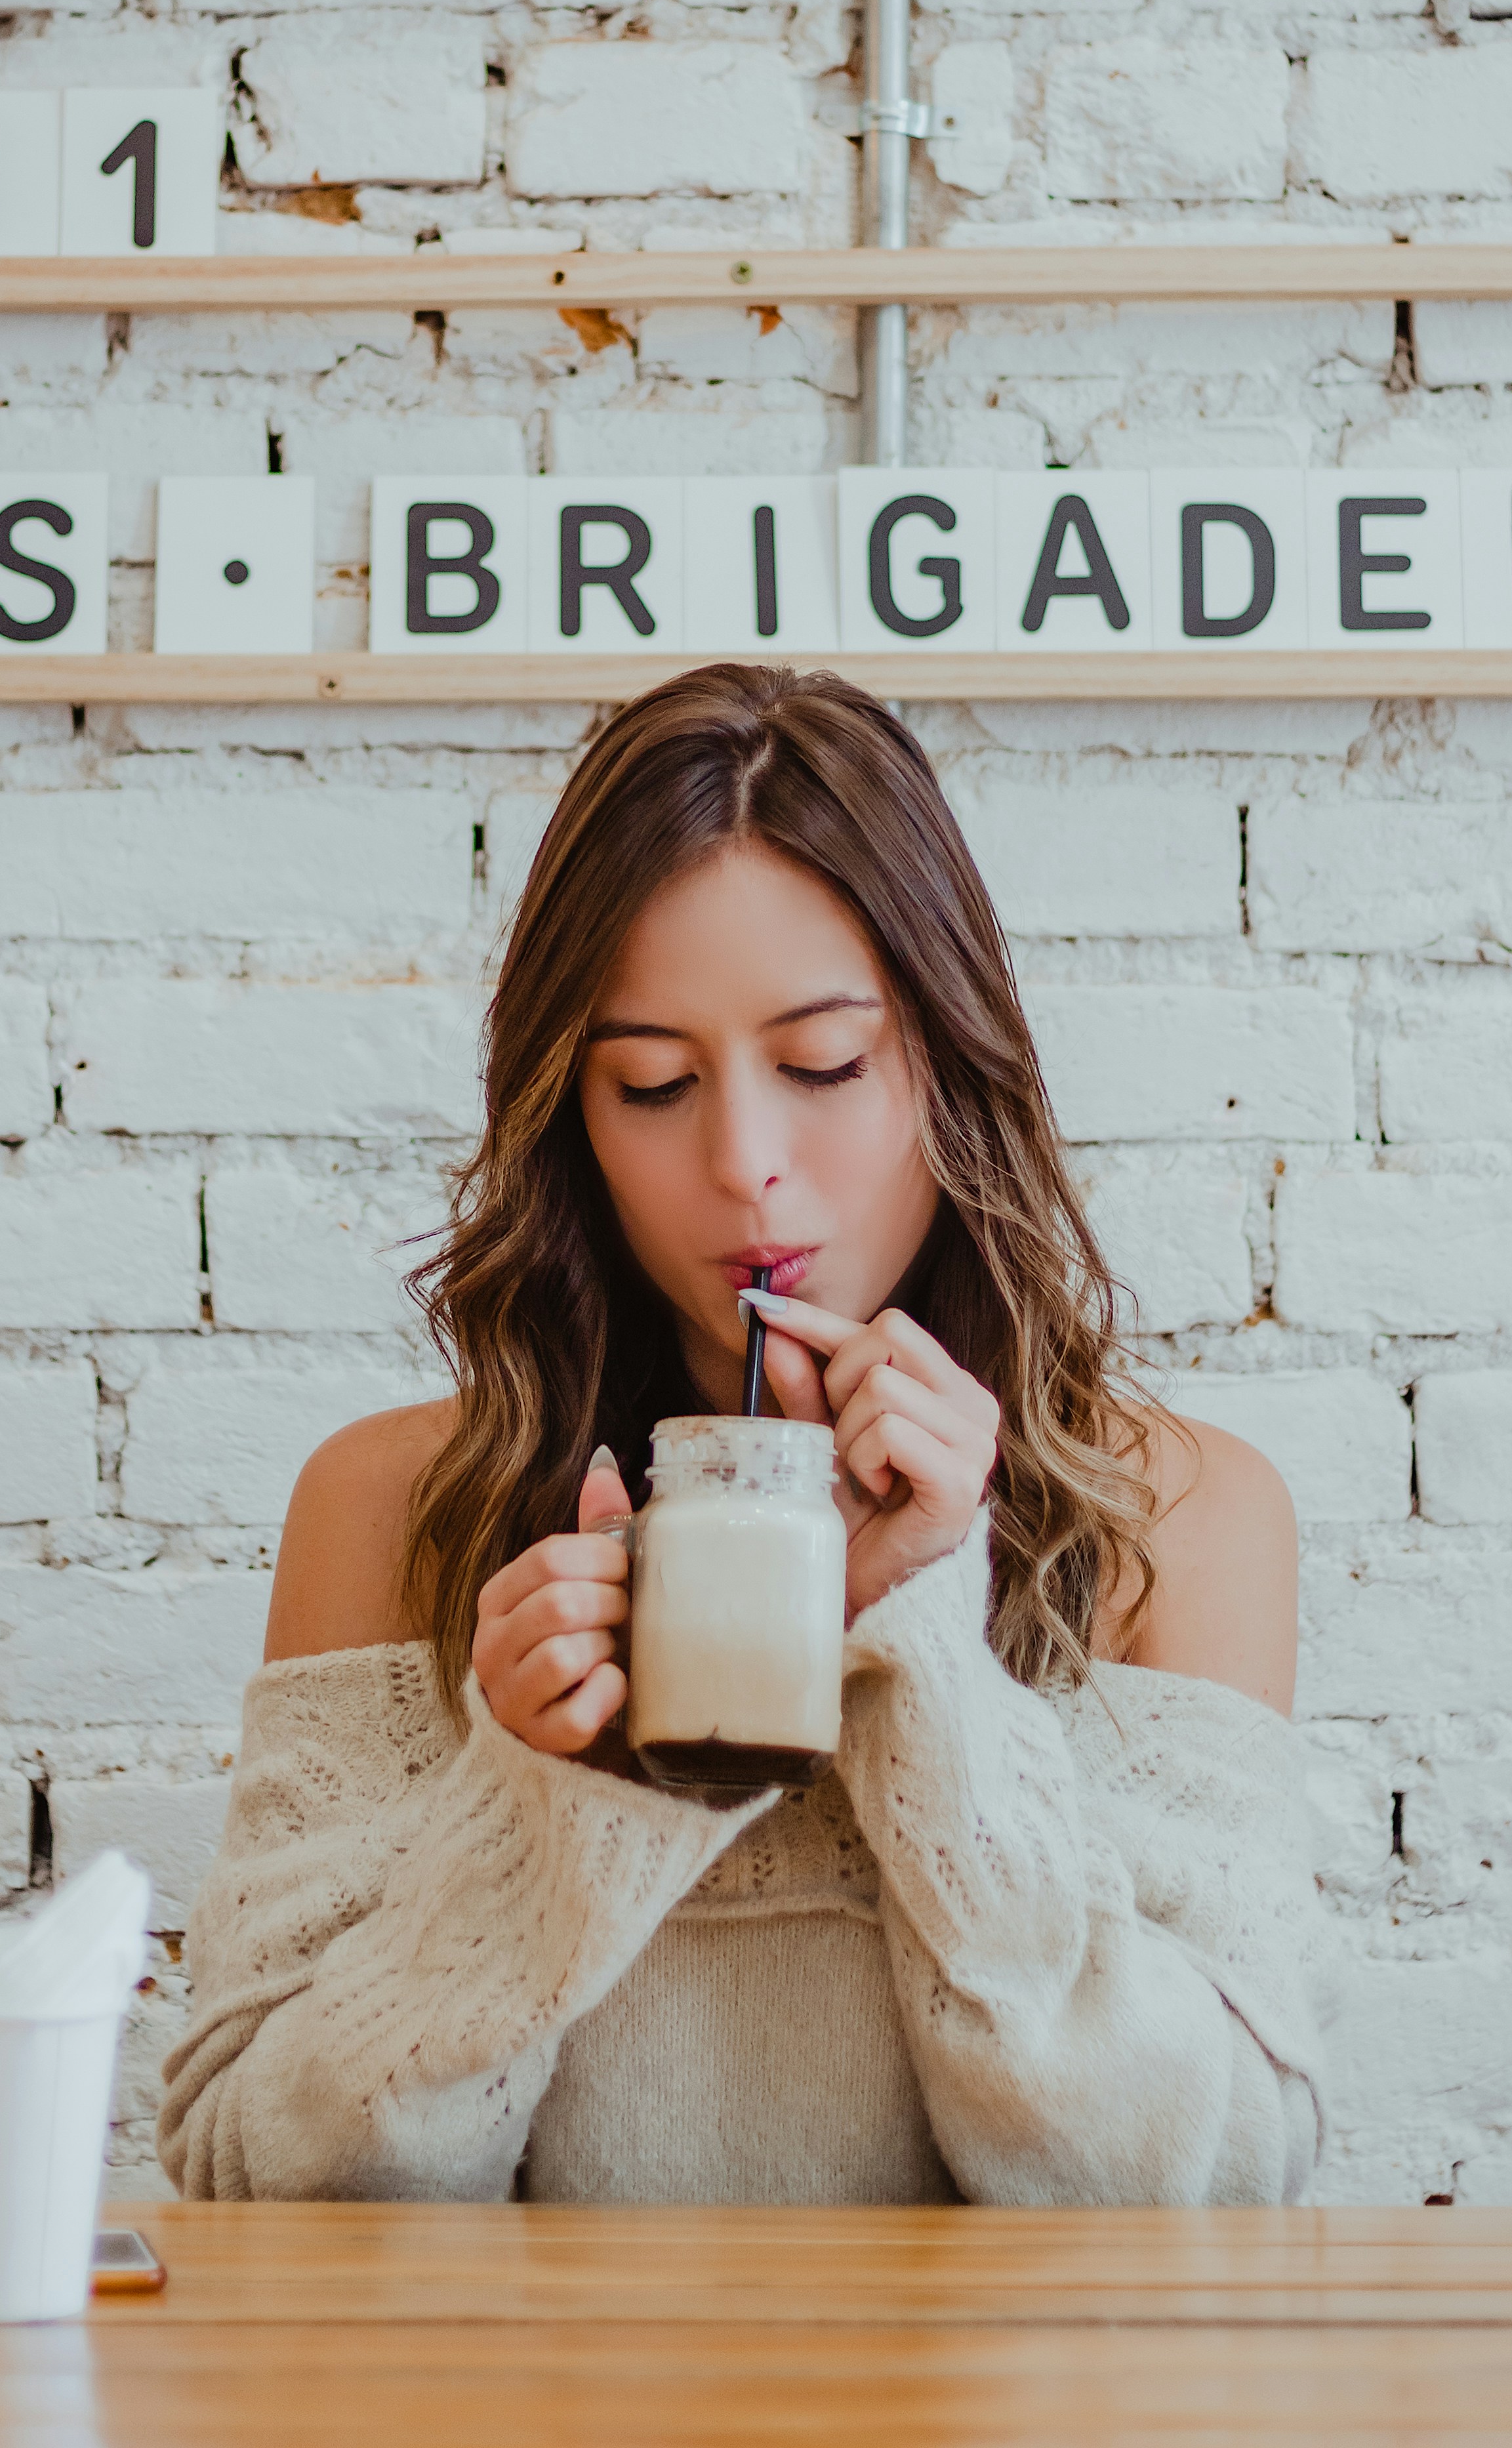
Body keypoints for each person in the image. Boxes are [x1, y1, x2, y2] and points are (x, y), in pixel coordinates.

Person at [159, 663, 1328, 2207]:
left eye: (826, 1067)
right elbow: (255, 2183)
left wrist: (919, 1645)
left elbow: (1219, 2185)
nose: (745, 1166)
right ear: (570, 1114)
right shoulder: (392, 1509)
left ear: (949, 1062)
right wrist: (536, 1804)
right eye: (651, 1083)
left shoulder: (1175, 1519)